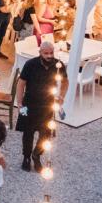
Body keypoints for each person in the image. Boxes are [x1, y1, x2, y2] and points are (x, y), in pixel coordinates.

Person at [15, 41, 68, 173]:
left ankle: (36, 155)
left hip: (48, 105)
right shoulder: (30, 64)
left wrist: (61, 97)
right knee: (28, 133)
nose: (49, 56)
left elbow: (65, 82)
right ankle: (26, 157)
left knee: (46, 134)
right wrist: (19, 103)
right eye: (46, 53)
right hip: (30, 103)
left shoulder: (58, 65)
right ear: (40, 52)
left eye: (51, 53)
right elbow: (21, 83)